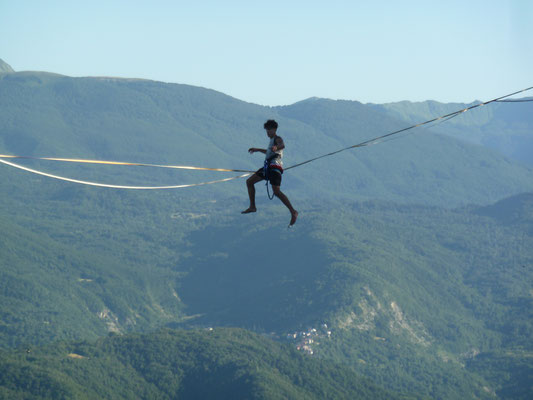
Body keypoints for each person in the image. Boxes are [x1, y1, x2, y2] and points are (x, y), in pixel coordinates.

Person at [241, 119, 298, 226]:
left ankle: (293, 211)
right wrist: (257, 149)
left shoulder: (277, 139)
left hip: (275, 167)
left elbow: (282, 145)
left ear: (275, 129)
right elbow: (268, 152)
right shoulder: (271, 141)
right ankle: (252, 206)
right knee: (249, 182)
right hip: (268, 167)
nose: (268, 132)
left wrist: (277, 147)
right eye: (267, 130)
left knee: (276, 192)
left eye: (270, 130)